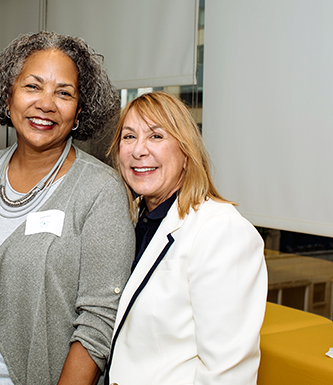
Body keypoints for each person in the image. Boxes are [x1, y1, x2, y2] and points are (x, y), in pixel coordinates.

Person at [0, 31, 134, 385]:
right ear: (8, 94)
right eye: (33, 86)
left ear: (79, 110)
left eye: (64, 93)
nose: (46, 103)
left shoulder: (100, 190)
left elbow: (98, 321)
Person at [105, 91, 267, 384]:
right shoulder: (134, 222)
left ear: (186, 152)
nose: (139, 150)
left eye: (156, 136)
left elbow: (227, 373)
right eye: (129, 137)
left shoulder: (221, 231)